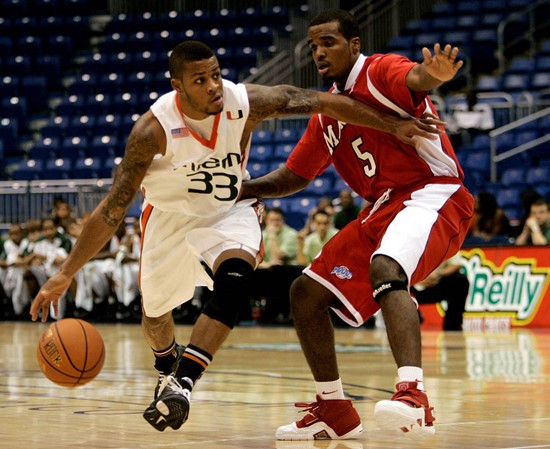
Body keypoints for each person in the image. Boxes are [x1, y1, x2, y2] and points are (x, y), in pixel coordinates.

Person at [30, 40, 445, 433]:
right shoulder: (151, 132)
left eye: (215, 75)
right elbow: (113, 207)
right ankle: (166, 367)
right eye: (199, 80)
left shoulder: (244, 103)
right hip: (169, 217)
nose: (213, 86)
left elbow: (323, 101)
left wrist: (392, 124)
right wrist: (66, 273)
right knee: (156, 315)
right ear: (178, 87)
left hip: (229, 208)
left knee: (235, 279)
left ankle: (183, 383)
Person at [240, 9, 474, 439]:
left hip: (433, 192)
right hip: (382, 207)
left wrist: (433, 75)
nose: (318, 52)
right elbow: (295, 176)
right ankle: (334, 408)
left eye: (327, 42)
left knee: (387, 267)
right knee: (305, 292)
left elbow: (414, 79)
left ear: (354, 45)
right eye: (313, 46)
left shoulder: (380, 71)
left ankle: (413, 395)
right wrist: (244, 190)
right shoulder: (327, 113)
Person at [411, 253, 469, 331]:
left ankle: (453, 325)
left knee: (461, 281)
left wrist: (438, 274)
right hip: (410, 284)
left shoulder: (446, 242)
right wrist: (417, 278)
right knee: (395, 284)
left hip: (435, 282)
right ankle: (412, 317)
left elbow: (456, 264)